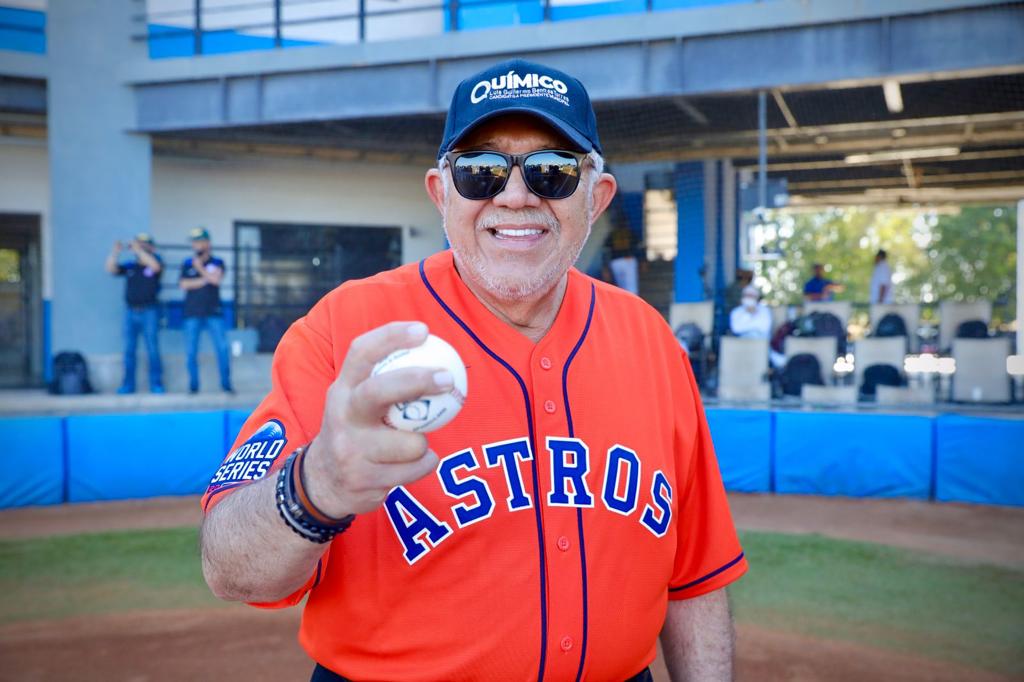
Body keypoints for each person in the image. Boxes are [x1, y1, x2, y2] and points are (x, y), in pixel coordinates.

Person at [200, 59, 747, 682]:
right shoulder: (344, 329)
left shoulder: (652, 342)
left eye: (553, 170)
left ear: (596, 198)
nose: (515, 196)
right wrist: (314, 485)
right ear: (441, 193)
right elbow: (230, 569)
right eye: (480, 171)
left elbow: (696, 578)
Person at [105, 233, 165, 394]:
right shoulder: (131, 266)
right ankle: (128, 385)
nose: (141, 246)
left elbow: (155, 267)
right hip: (130, 312)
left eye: (145, 244)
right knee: (129, 351)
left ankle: (156, 384)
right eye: (139, 244)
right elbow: (111, 269)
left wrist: (139, 250)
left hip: (149, 311)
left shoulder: (156, 261)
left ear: (151, 247)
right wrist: (115, 252)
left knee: (152, 349)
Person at [179, 228, 233, 394]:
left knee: (222, 348)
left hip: (213, 312)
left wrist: (200, 269)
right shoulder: (187, 263)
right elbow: (184, 284)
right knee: (191, 351)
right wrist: (205, 279)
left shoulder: (217, 262)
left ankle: (226, 385)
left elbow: (216, 280)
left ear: (207, 243)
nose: (196, 245)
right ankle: (193, 386)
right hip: (192, 313)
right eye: (194, 242)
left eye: (199, 241)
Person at [606, 221, 640, 294]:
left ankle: (626, 300)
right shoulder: (629, 233)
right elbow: (637, 245)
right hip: (628, 259)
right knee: (631, 287)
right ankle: (631, 300)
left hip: (615, 261)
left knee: (621, 287)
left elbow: (607, 247)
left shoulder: (613, 234)